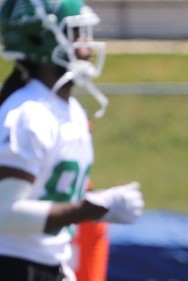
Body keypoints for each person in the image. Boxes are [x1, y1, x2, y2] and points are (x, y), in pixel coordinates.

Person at [0, 0, 144, 280]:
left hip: (44, 264)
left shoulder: (71, 111)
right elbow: (5, 214)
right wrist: (88, 209)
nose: (88, 45)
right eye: (78, 33)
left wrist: (59, 266)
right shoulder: (28, 115)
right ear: (41, 38)